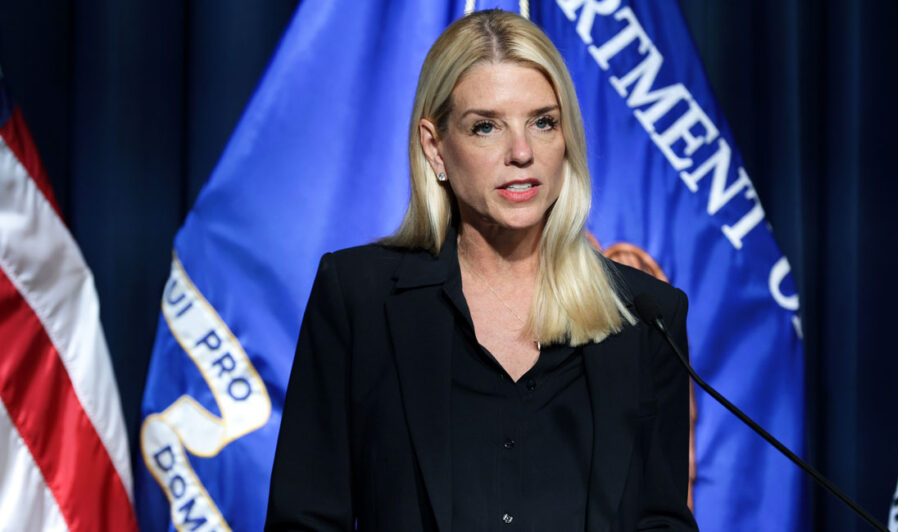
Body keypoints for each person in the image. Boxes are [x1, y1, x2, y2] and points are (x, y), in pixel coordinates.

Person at [266, 9, 698, 532]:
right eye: (486, 127)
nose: (522, 153)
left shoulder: (646, 317)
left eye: (543, 122)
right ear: (435, 146)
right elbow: (306, 520)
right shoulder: (359, 298)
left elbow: (663, 522)